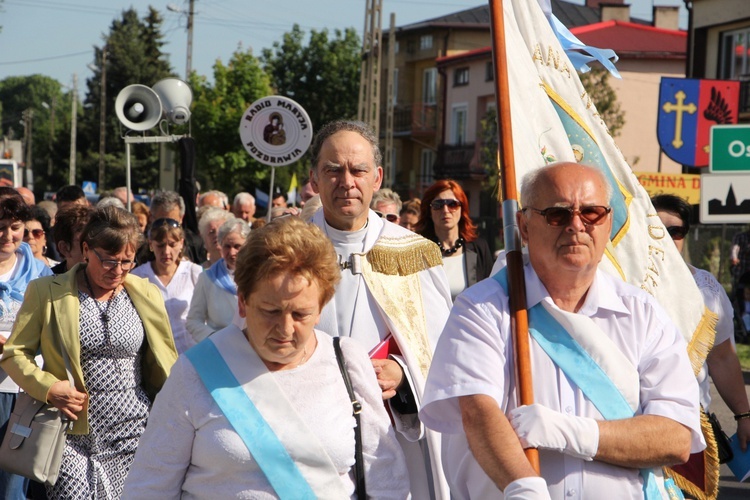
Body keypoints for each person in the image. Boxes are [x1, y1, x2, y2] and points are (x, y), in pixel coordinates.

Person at [420, 162, 704, 499]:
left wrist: (569, 432)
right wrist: (524, 489)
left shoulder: (643, 315)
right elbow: (478, 412)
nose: (576, 225)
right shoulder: (482, 309)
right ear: (524, 226)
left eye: (592, 213)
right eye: (557, 214)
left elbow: (675, 437)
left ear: (608, 223)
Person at [122, 216, 409, 498]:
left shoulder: (347, 362)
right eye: (270, 311)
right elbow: (149, 486)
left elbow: (386, 482)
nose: (285, 329)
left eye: (301, 314)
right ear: (243, 302)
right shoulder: (196, 371)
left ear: (321, 307)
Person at [309, 119, 452, 499]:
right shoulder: (287, 246)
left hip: (392, 434)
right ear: (313, 178)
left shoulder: (414, 252)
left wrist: (402, 374)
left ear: (377, 177)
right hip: (305, 426)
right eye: (333, 170)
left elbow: (441, 352)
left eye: (358, 170)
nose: (346, 181)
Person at [1, 205, 178, 499]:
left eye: (127, 262)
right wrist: (50, 388)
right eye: (109, 261)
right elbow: (15, 354)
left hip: (134, 432)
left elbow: (164, 361)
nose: (118, 271)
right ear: (86, 249)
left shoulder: (145, 293)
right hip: (70, 433)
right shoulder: (47, 291)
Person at [652, 194, 750, 448]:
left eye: (676, 231)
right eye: (658, 229)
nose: (667, 237)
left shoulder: (706, 289)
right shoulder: (618, 283)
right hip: (632, 420)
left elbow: (722, 357)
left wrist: (744, 415)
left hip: (691, 425)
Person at [0, 195, 53, 500]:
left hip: (21, 392)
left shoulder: (40, 274)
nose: (8, 235)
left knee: (12, 487)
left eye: (15, 227)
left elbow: (52, 329)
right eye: (1, 227)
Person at [131, 217, 203, 354]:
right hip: (157, 356)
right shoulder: (138, 276)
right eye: (160, 245)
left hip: (192, 353)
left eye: (172, 244)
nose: (166, 252)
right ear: (151, 245)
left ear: (181, 243)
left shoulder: (194, 273)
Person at [417, 180, 493, 300]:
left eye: (452, 204)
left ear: (462, 209)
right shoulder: (418, 251)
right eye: (438, 205)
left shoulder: (479, 248)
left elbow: (491, 294)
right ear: (429, 211)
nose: (446, 210)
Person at [187, 217, 249, 343]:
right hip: (220, 348)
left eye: (237, 246)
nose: (232, 252)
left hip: (252, 347)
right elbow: (193, 321)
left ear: (247, 245)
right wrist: (216, 338)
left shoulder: (259, 276)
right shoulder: (208, 278)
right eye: (227, 246)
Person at [146, 190, 206, 265]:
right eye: (161, 223)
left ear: (181, 218)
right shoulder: (139, 246)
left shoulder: (194, 244)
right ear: (151, 217)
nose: (166, 229)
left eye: (172, 223)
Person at [51, 205, 92, 274]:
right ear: (64, 248)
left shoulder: (112, 280)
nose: (97, 249)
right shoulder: (46, 282)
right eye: (87, 243)